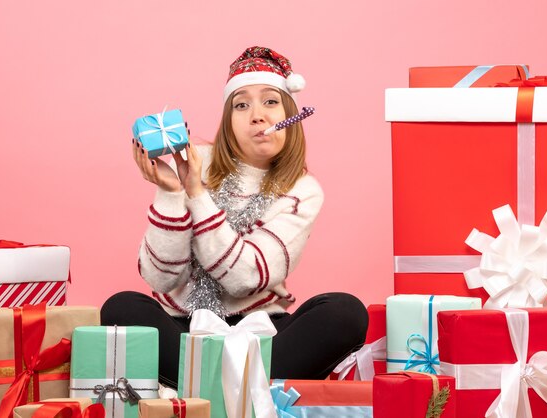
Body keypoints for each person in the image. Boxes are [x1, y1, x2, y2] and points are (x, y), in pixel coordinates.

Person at [101, 46, 368, 389]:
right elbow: (160, 280)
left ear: (290, 116)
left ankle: (204, 388)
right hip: (183, 330)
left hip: (263, 333)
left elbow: (246, 278)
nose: (257, 116)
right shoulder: (193, 160)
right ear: (227, 121)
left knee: (345, 313)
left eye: (270, 102)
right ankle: (245, 390)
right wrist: (171, 192)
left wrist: (196, 195)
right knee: (121, 308)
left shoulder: (304, 189)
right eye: (241, 105)